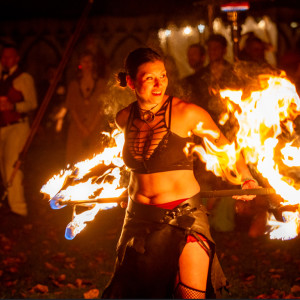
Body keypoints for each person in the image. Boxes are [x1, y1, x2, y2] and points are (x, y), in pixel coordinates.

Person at [101, 47, 259, 299]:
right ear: (130, 81)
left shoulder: (187, 113)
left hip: (183, 218)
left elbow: (225, 148)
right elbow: (134, 166)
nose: (158, 83)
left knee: (190, 296)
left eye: (162, 76)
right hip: (138, 219)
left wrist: (246, 178)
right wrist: (124, 189)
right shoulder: (124, 118)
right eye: (149, 77)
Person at [0, 43, 38, 216]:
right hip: (2, 128)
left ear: (16, 58)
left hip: (17, 127)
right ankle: (10, 204)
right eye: (4, 56)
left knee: (12, 167)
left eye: (10, 56)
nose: (6, 60)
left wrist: (13, 106)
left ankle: (19, 209)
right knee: (3, 168)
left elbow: (32, 103)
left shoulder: (24, 78)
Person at [64, 50, 109, 165]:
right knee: (76, 161)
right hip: (77, 131)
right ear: (80, 64)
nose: (87, 64)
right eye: (84, 61)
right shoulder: (74, 85)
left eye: (90, 61)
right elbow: (72, 108)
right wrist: (82, 128)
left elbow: (103, 107)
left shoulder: (101, 84)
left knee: (95, 161)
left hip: (96, 129)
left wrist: (91, 127)